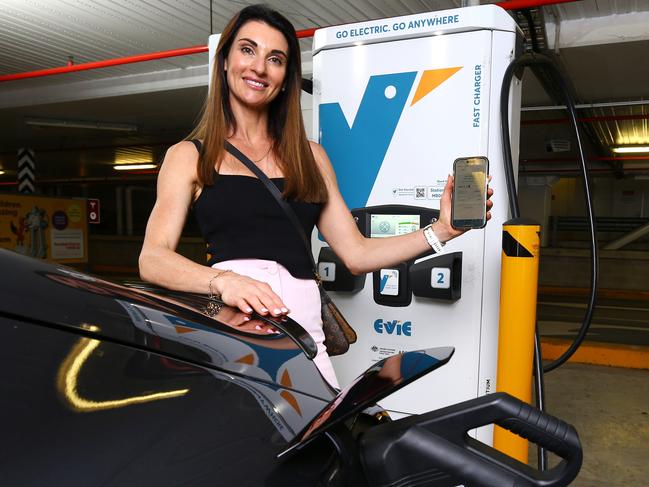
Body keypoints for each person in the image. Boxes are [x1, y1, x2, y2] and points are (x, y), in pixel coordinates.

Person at [139, 4, 493, 388]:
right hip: (231, 336)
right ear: (224, 61)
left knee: (322, 441)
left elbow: (357, 255)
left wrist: (440, 230)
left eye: (275, 59)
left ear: (286, 77)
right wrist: (226, 281)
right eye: (247, 50)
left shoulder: (311, 157)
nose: (259, 67)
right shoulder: (189, 155)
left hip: (306, 340)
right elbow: (152, 258)